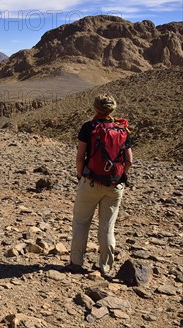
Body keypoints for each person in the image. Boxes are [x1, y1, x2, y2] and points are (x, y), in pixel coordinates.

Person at [65, 94, 133, 277]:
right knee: (107, 227)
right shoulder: (122, 129)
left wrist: (81, 176)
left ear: (95, 108)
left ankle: (76, 263)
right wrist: (119, 176)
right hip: (115, 185)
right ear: (113, 109)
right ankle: (106, 268)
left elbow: (80, 157)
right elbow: (129, 160)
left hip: (90, 182)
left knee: (80, 222)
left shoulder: (89, 127)